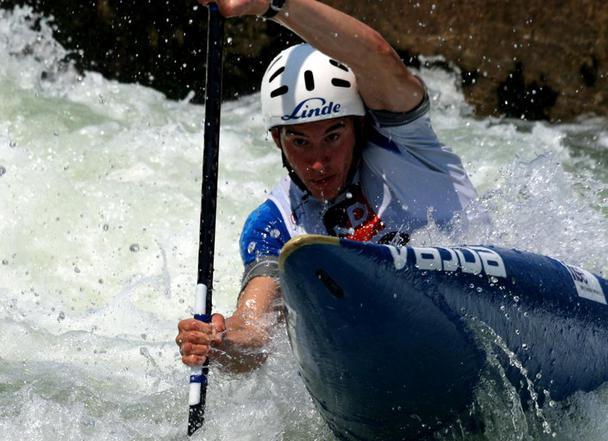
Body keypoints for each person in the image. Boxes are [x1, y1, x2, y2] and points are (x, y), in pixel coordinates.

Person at [177, 0, 477, 372]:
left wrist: (271, 4)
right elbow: (255, 331)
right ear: (276, 140)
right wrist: (220, 344)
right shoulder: (276, 224)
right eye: (299, 142)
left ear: (359, 126)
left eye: (333, 136)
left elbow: (376, 55)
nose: (318, 162)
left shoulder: (407, 146)